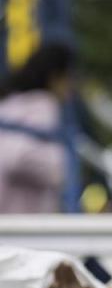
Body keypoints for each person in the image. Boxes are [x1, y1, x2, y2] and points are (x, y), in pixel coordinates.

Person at [0, 42, 74, 214]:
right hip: (23, 224)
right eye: (70, 77)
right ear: (55, 77)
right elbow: (16, 157)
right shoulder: (43, 105)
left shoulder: (10, 104)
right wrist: (62, 166)